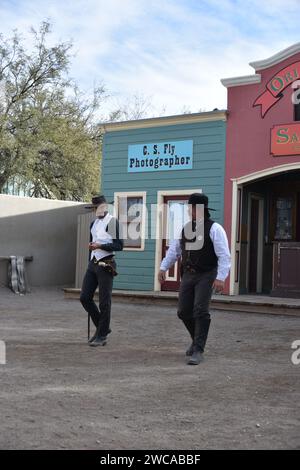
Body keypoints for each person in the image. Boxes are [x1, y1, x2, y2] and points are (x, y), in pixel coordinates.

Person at [158, 193, 231, 365]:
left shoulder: (215, 228)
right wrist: (163, 267)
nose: (188, 211)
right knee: (183, 311)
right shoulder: (185, 229)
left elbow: (224, 255)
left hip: (206, 274)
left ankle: (198, 349)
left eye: (190, 208)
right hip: (188, 274)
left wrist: (221, 278)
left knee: (200, 310)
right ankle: (196, 340)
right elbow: (174, 251)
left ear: (198, 209)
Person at [80, 195, 123, 346]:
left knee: (105, 302)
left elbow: (119, 246)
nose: (97, 210)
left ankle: (102, 335)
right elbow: (92, 244)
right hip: (93, 263)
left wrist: (100, 246)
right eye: (94, 208)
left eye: (99, 207)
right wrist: (91, 256)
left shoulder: (112, 222)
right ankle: (102, 327)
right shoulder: (93, 223)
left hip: (106, 264)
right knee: (85, 297)